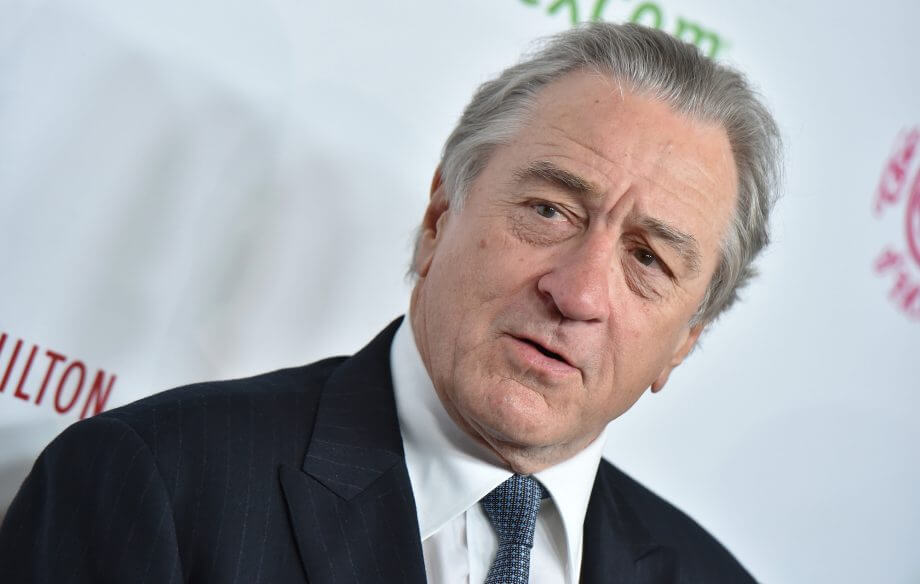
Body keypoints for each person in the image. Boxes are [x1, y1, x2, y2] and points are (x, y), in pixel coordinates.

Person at [0, 22, 781, 584]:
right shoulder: (151, 484)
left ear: (685, 339)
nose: (576, 293)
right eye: (549, 210)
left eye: (647, 259)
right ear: (441, 215)